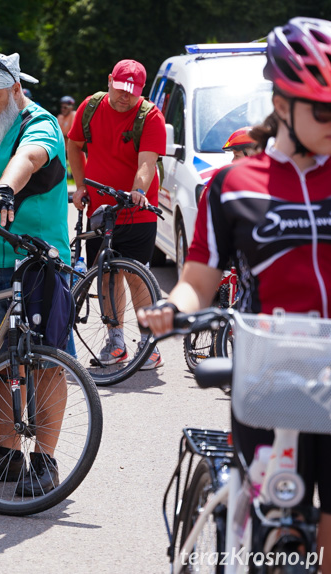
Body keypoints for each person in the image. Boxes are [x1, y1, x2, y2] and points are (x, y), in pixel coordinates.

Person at [140, 17, 331, 560]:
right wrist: (171, 309)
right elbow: (199, 277)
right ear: (284, 103)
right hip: (271, 372)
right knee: (269, 518)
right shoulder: (232, 185)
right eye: (323, 109)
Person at [0, 52, 73, 496]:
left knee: (47, 362)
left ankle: (44, 460)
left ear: (15, 90)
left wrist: (8, 186)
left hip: (37, 262)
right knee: (4, 363)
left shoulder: (37, 123)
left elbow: (29, 158)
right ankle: (8, 452)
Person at [67, 59, 167, 370]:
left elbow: (147, 163)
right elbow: (74, 145)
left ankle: (149, 344)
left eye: (132, 92)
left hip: (136, 208)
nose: (125, 97)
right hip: (100, 207)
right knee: (106, 276)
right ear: (110, 80)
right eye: (120, 89)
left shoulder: (149, 116)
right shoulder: (91, 107)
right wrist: (81, 185)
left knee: (138, 276)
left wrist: (138, 191)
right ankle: (116, 341)